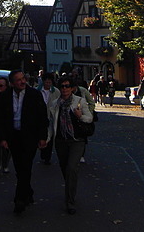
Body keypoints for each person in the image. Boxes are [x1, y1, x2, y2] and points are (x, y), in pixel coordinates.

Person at [0, 69, 48, 214]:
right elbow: (0, 119)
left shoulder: (34, 95)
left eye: (23, 78)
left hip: (29, 137)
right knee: (20, 168)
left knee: (26, 165)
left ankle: (19, 200)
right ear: (12, 83)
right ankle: (28, 191)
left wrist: (42, 137)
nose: (22, 81)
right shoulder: (6, 96)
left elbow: (42, 117)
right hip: (14, 137)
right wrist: (3, 138)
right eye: (18, 80)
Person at [48, 74, 93, 215]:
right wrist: (47, 139)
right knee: (65, 169)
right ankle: (70, 188)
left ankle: (70, 202)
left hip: (76, 141)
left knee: (72, 168)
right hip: (61, 141)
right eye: (62, 86)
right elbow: (50, 125)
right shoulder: (55, 104)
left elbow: (89, 118)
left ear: (72, 88)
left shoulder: (79, 101)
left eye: (67, 86)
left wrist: (80, 116)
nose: (65, 89)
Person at [38, 72, 59, 164]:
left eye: (49, 82)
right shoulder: (37, 91)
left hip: (51, 117)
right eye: (46, 82)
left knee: (50, 137)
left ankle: (47, 157)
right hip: (40, 117)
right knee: (41, 135)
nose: (47, 84)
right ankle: (43, 151)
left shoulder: (56, 92)